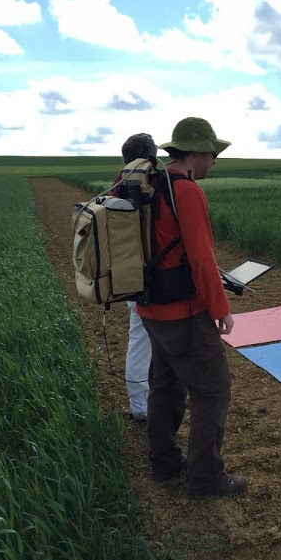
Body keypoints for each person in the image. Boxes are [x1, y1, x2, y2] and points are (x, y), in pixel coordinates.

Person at [136, 117, 247, 498]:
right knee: (213, 389)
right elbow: (201, 259)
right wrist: (221, 309)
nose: (215, 161)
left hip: (148, 308)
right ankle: (206, 478)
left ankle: (164, 463)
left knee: (164, 384)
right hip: (182, 313)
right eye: (213, 153)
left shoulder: (149, 184)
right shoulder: (187, 192)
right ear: (197, 152)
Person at [109, 133, 156, 423]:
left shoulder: (119, 184)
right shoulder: (148, 183)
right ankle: (141, 407)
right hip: (150, 279)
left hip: (128, 275)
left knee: (140, 339)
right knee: (144, 342)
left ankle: (142, 403)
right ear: (149, 157)